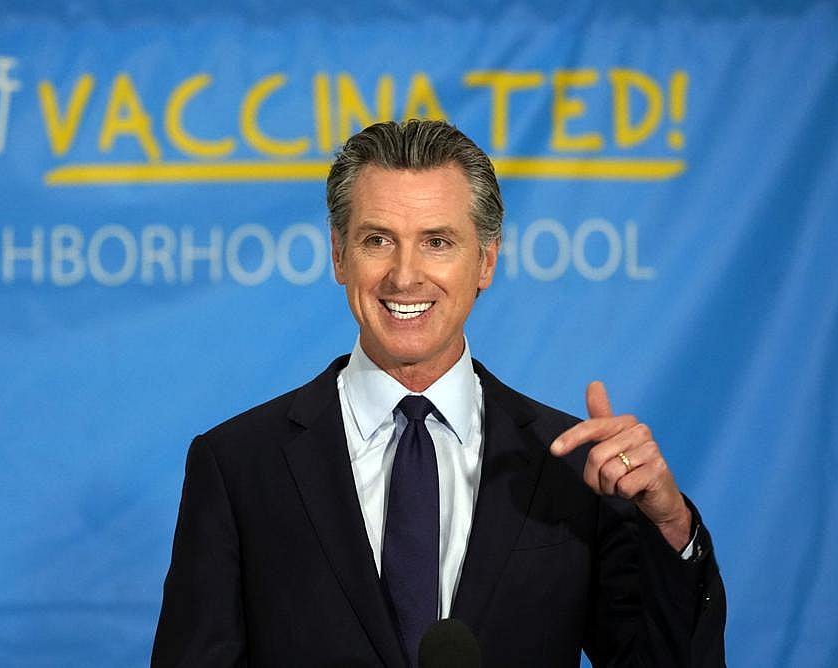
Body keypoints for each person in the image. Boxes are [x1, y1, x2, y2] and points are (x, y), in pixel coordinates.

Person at [151, 120, 726, 667]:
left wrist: (671, 526)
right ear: (339, 255)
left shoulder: (571, 467)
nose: (405, 276)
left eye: (436, 242)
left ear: (486, 261)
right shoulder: (238, 466)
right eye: (378, 240)